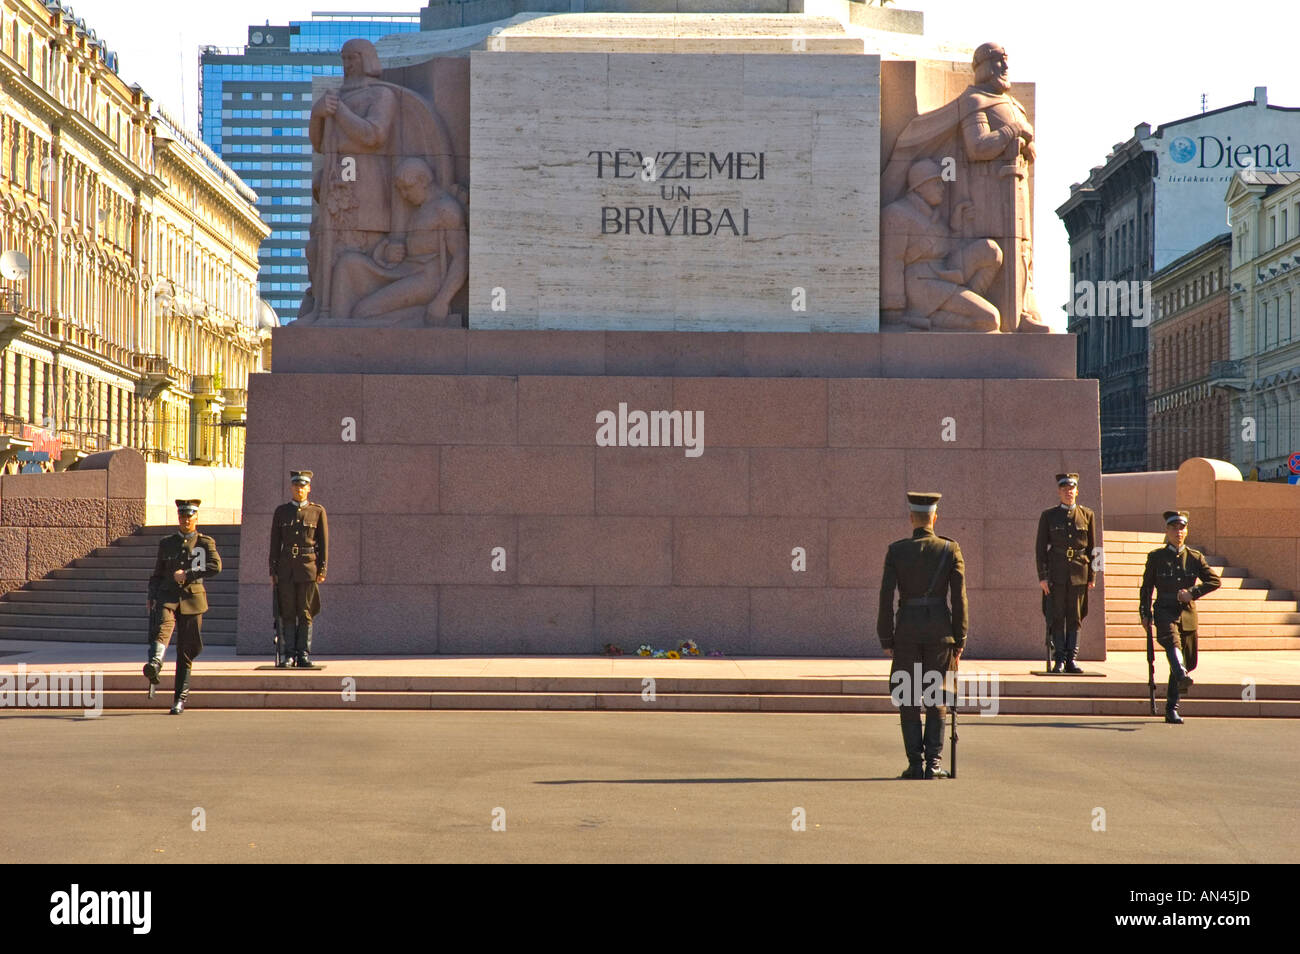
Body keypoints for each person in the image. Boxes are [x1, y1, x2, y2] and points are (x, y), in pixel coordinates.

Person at [878, 491, 968, 779]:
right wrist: (960, 637)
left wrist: (886, 637)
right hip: (940, 634)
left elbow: (885, 597)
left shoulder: (896, 551)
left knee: (907, 697)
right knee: (937, 697)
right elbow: (960, 598)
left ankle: (915, 763)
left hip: (906, 633)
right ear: (935, 517)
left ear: (911, 518)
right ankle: (934, 764)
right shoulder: (949, 549)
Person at [1139, 511, 1221, 724]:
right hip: (1164, 609)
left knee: (1189, 661)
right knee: (1173, 645)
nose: (1178, 532)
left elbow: (1214, 581)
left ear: (1187, 531)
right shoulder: (1156, 557)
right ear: (1167, 531)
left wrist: (1192, 593)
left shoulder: (1194, 557)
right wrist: (1145, 613)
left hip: (1186, 612)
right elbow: (1147, 588)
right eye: (1174, 528)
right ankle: (1173, 707)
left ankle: (1176, 687)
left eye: (1182, 528)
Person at [145, 499, 223, 715]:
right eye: (182, 516)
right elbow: (158, 573)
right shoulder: (167, 543)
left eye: (189, 516)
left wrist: (188, 574)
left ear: (196, 518)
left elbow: (216, 566)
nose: (186, 520)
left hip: (192, 599)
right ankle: (155, 662)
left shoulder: (205, 542)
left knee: (186, 651)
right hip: (168, 596)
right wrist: (151, 595)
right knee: (163, 628)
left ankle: (179, 698)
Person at [1035, 472, 1097, 673]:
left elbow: (1095, 548)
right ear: (1058, 492)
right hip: (1057, 573)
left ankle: (1072, 659)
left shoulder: (1087, 515)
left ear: (1077, 491)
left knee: (1075, 616)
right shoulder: (1049, 516)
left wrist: (1093, 575)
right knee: (1057, 616)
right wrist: (1043, 577)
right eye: (1064, 489)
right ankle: (1059, 659)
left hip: (1080, 572)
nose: (1068, 492)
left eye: (1071, 489)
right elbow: (1040, 548)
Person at [270, 470, 328, 667]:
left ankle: (303, 654)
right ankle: (288, 655)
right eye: (296, 486)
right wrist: (273, 570)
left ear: (309, 488)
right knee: (287, 612)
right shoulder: (281, 512)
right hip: (286, 568)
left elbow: (324, 543)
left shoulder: (317, 511)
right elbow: (274, 543)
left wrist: (322, 569)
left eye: (303, 486)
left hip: (307, 568)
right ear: (291, 487)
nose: (299, 489)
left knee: (305, 612)